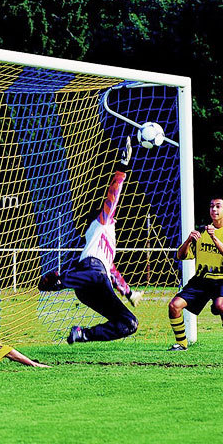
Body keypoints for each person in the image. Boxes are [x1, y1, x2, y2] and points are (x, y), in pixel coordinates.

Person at [38, 138, 143, 344]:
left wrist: (129, 293)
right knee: (96, 273)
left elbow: (112, 271)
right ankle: (60, 280)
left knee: (129, 323)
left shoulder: (108, 245)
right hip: (90, 273)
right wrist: (122, 168)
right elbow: (113, 196)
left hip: (93, 285)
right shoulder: (102, 223)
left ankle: (83, 334)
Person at [167, 197, 223, 352]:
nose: (214, 210)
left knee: (221, 307)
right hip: (201, 281)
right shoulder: (202, 232)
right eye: (211, 206)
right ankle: (181, 344)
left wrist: (214, 238)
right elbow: (181, 256)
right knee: (174, 306)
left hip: (222, 280)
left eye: (218, 206)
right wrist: (189, 240)